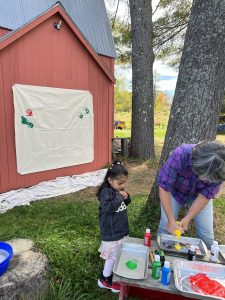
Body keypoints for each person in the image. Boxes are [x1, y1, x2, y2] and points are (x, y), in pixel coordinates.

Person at [157, 141, 225, 249]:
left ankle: (203, 263)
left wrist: (188, 217)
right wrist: (171, 220)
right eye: (203, 175)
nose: (204, 179)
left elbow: (205, 195)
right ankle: (160, 256)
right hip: (175, 192)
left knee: (206, 236)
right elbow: (164, 187)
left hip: (200, 196)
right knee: (166, 226)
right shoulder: (180, 154)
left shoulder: (221, 167)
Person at [97, 161, 131, 293]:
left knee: (118, 254)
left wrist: (127, 197)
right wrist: (119, 198)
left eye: (123, 184)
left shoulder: (118, 190)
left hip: (120, 230)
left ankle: (112, 275)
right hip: (111, 233)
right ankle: (104, 279)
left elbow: (125, 203)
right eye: (120, 184)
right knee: (112, 256)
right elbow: (107, 208)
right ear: (110, 180)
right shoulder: (106, 192)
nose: (122, 186)